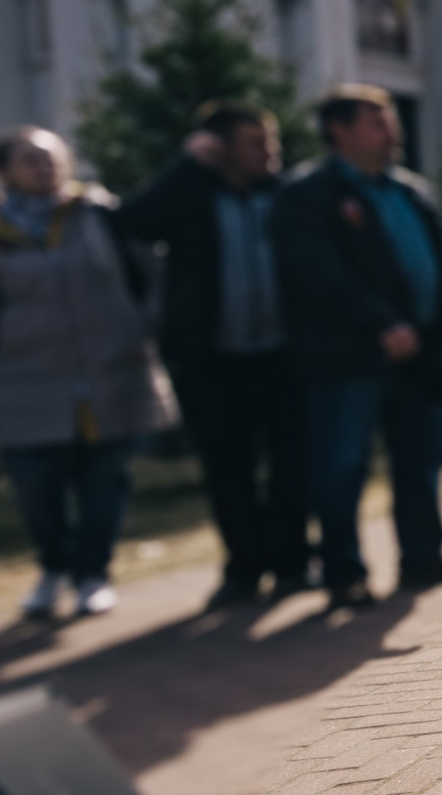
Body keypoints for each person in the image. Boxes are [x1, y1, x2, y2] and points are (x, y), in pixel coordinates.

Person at [270, 86, 442, 606]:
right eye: (376, 122)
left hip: (419, 355)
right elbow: (316, 273)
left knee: (421, 457)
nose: (392, 130)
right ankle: (343, 573)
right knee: (342, 464)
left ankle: (422, 557)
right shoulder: (307, 194)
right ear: (338, 130)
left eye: (391, 121)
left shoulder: (411, 190)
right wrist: (378, 323)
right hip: (348, 356)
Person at [118, 102, 309, 607]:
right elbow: (134, 222)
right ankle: (243, 570)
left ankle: (293, 564)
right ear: (220, 149)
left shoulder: (287, 195)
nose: (269, 151)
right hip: (213, 361)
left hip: (284, 356)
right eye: (254, 142)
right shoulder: (192, 196)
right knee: (229, 468)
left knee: (292, 464)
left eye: (271, 140)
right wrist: (187, 163)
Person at [0, 127, 173, 620]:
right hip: (25, 379)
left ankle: (93, 574)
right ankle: (54, 566)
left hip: (109, 371)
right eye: (30, 159)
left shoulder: (99, 214)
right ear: (2, 172)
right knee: (35, 484)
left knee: (105, 480)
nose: (43, 167)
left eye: (51, 157)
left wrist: (141, 327)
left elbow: (153, 274)